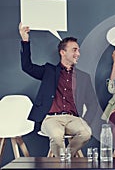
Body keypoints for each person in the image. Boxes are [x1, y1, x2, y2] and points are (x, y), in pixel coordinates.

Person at [19, 23, 100, 157]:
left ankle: (65, 157)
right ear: (63, 52)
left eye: (78, 50)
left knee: (86, 133)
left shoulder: (83, 77)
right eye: (74, 50)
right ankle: (63, 163)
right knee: (56, 137)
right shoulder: (49, 71)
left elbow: (93, 104)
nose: (78, 54)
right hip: (51, 118)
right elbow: (27, 66)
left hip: (73, 118)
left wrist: (85, 121)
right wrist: (25, 39)